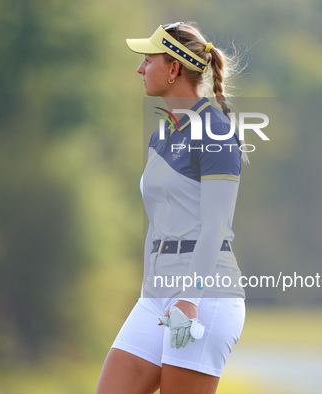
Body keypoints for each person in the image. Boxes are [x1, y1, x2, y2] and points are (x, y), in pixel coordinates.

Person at [97, 22, 247, 394]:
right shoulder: (161, 134)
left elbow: (215, 227)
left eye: (148, 60)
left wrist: (189, 299)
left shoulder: (215, 131)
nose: (140, 69)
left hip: (203, 296)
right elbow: (159, 223)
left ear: (175, 69)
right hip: (157, 295)